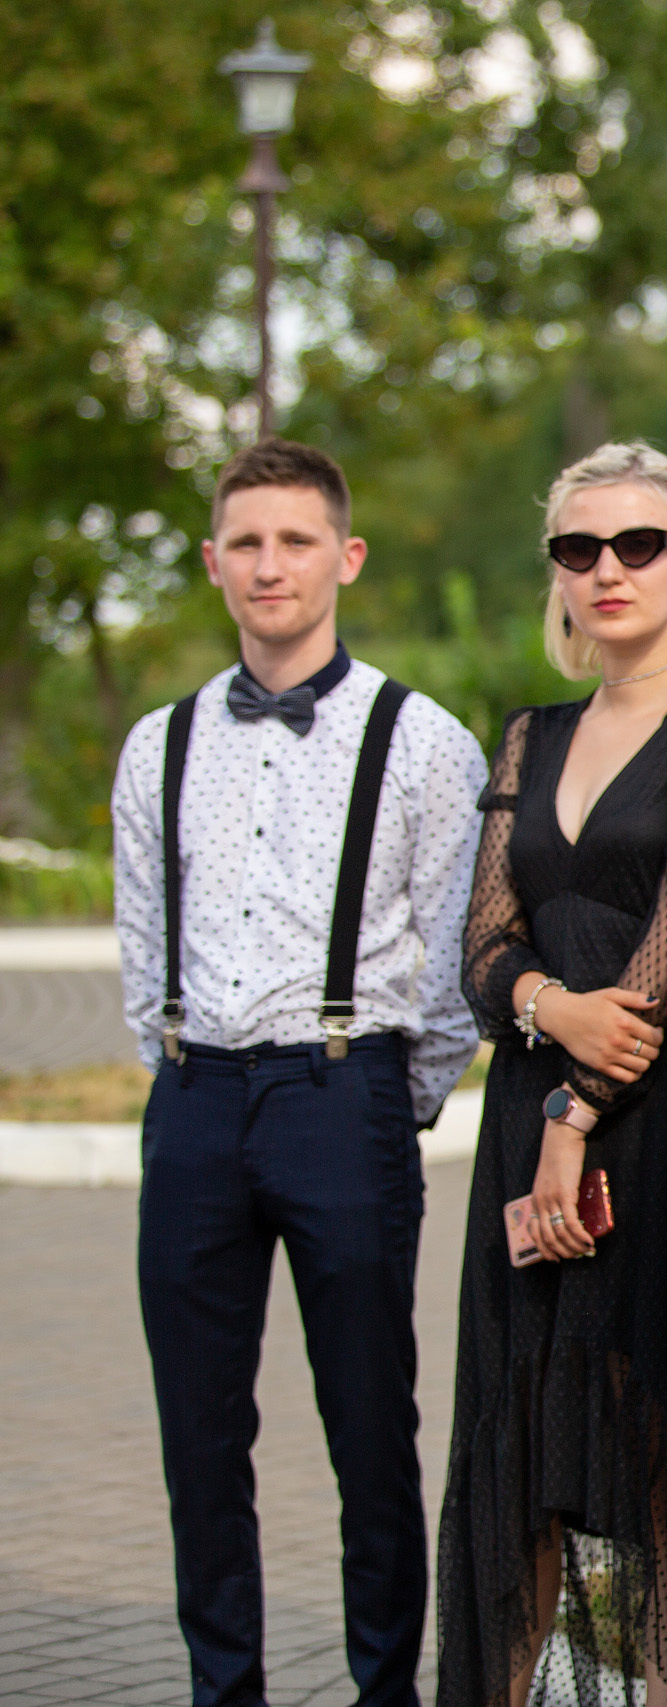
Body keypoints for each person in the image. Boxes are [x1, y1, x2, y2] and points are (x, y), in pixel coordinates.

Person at [109, 438, 486, 1707]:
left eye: (296, 540)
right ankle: (230, 1689)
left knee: (369, 1428)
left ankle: (385, 1690)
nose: (271, 566)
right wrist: (183, 1076)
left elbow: (452, 968)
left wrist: (381, 1098)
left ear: (346, 557)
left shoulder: (423, 739)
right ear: (214, 564)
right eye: (248, 544)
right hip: (196, 1099)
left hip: (345, 1095)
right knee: (200, 1440)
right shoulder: (156, 745)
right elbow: (141, 944)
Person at [435, 444, 667, 1707]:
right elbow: (480, 945)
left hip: (656, 1127)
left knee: (655, 1444)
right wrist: (544, 1008)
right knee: (518, 1450)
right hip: (525, 1122)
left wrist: (581, 1105)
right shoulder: (531, 732)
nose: (608, 570)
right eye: (579, 550)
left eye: (639, 544)